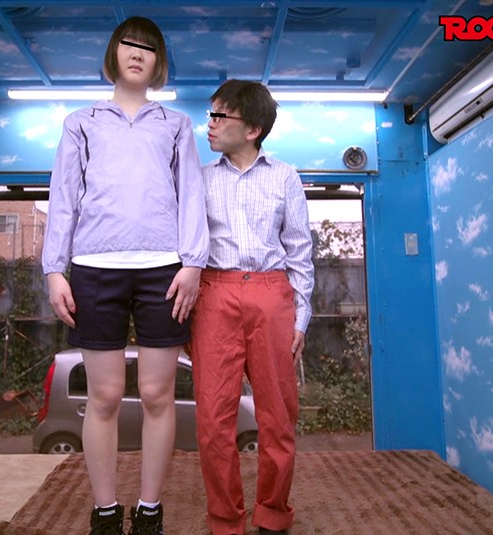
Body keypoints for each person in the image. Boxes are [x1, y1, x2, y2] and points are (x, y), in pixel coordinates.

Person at [41, 16, 209, 535]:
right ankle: (106, 511)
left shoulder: (176, 124)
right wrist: (55, 269)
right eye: (129, 44)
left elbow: (192, 194)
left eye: (148, 48)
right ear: (113, 53)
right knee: (105, 397)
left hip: (163, 270)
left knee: (158, 395)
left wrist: (193, 263)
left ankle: (150, 510)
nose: (137, 53)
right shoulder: (81, 122)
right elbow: (63, 197)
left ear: (159, 62)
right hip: (94, 269)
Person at [190, 79, 314, 535]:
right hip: (214, 292)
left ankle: (273, 514)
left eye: (220, 116)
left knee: (278, 416)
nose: (210, 124)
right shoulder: (200, 178)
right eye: (210, 114)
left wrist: (301, 317)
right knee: (212, 420)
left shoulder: (284, 176)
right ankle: (226, 520)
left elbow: (299, 250)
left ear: (252, 129)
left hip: (271, 293)